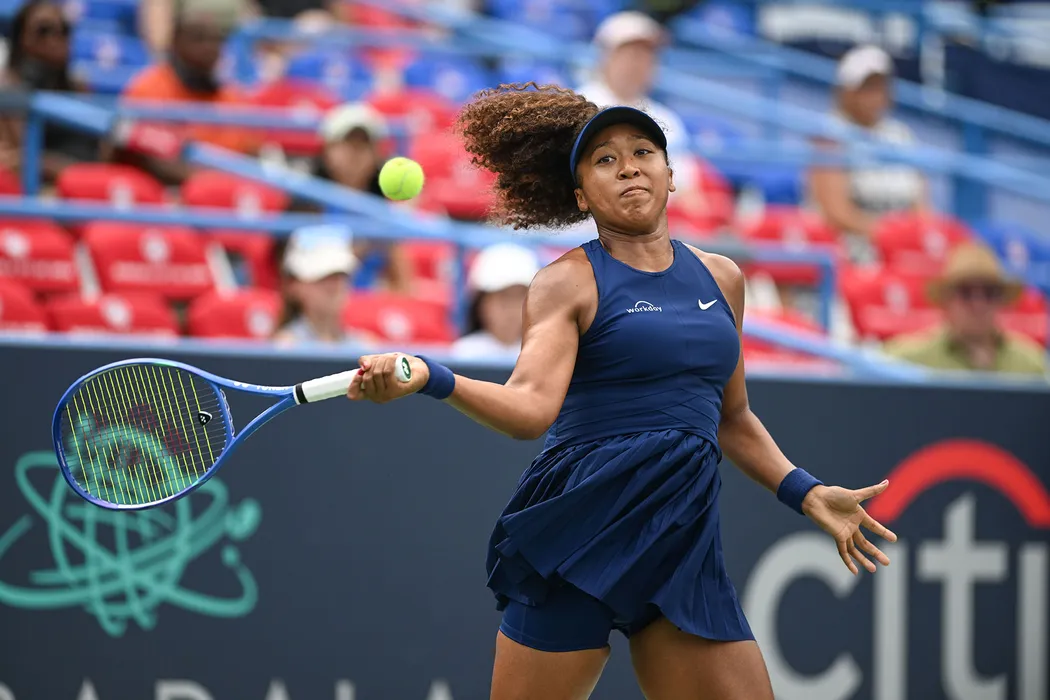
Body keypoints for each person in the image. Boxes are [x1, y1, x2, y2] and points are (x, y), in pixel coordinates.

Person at [346, 84, 897, 699]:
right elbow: (529, 409)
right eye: (605, 159)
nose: (629, 166)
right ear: (582, 195)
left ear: (670, 174)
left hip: (680, 539)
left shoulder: (723, 278)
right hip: (583, 529)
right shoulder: (566, 282)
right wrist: (431, 377)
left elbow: (731, 415)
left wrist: (806, 491)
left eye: (643, 151)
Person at [807, 45, 929, 258]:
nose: (875, 95)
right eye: (867, 87)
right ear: (846, 91)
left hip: (900, 250)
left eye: (881, 86)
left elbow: (921, 208)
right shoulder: (829, 135)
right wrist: (890, 236)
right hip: (850, 251)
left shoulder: (902, 135)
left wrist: (913, 239)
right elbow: (836, 213)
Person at [575, 11, 702, 211]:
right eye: (631, 54)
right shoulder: (578, 106)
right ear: (605, 57)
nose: (639, 63)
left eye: (648, 55)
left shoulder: (667, 118)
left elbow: (686, 189)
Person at [122, 0, 256, 184]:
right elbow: (148, 157)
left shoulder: (233, 97)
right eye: (198, 38)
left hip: (227, 192)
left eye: (217, 40)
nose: (209, 47)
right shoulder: (147, 88)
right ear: (176, 41)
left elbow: (252, 153)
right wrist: (207, 183)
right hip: (163, 191)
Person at [884, 242, 1047, 376]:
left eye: (989, 293)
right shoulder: (906, 359)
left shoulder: (1031, 363)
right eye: (965, 292)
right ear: (946, 301)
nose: (978, 304)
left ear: (1000, 301)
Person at [307, 103, 413, 293]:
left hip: (370, 305)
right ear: (328, 150)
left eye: (364, 145)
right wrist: (360, 249)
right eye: (348, 143)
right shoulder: (306, 204)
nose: (355, 153)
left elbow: (403, 283)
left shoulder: (383, 211)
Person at [0, 0, 102, 182]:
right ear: (21, 38)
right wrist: (71, 171)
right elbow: (20, 158)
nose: (55, 38)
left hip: (87, 185)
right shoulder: (7, 89)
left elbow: (101, 151)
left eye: (64, 30)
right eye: (44, 30)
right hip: (39, 188)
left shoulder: (81, 87)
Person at [273, 225, 370, 345]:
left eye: (341, 275)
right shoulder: (285, 345)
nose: (335, 286)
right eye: (322, 278)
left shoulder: (364, 344)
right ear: (295, 285)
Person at [451, 243, 540, 360]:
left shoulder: (541, 353)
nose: (512, 309)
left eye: (520, 298)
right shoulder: (464, 353)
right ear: (481, 303)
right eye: (504, 298)